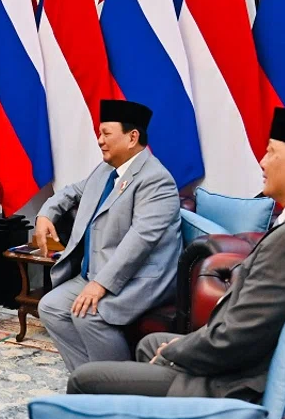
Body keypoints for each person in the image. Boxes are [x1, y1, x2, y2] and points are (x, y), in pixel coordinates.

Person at [69, 108, 285, 401]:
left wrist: (175, 352)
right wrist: (179, 348)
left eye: (271, 153)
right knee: (150, 344)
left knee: (87, 380)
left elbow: (235, 340)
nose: (262, 163)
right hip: (251, 358)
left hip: (239, 383)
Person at [34, 99, 182, 375]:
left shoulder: (156, 180)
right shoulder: (106, 170)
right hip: (96, 273)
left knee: (89, 315)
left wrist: (101, 285)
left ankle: (119, 385)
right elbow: (72, 192)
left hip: (137, 279)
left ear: (132, 137)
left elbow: (140, 240)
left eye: (106, 134)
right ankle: (90, 380)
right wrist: (45, 214)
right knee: (51, 307)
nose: (99, 141)